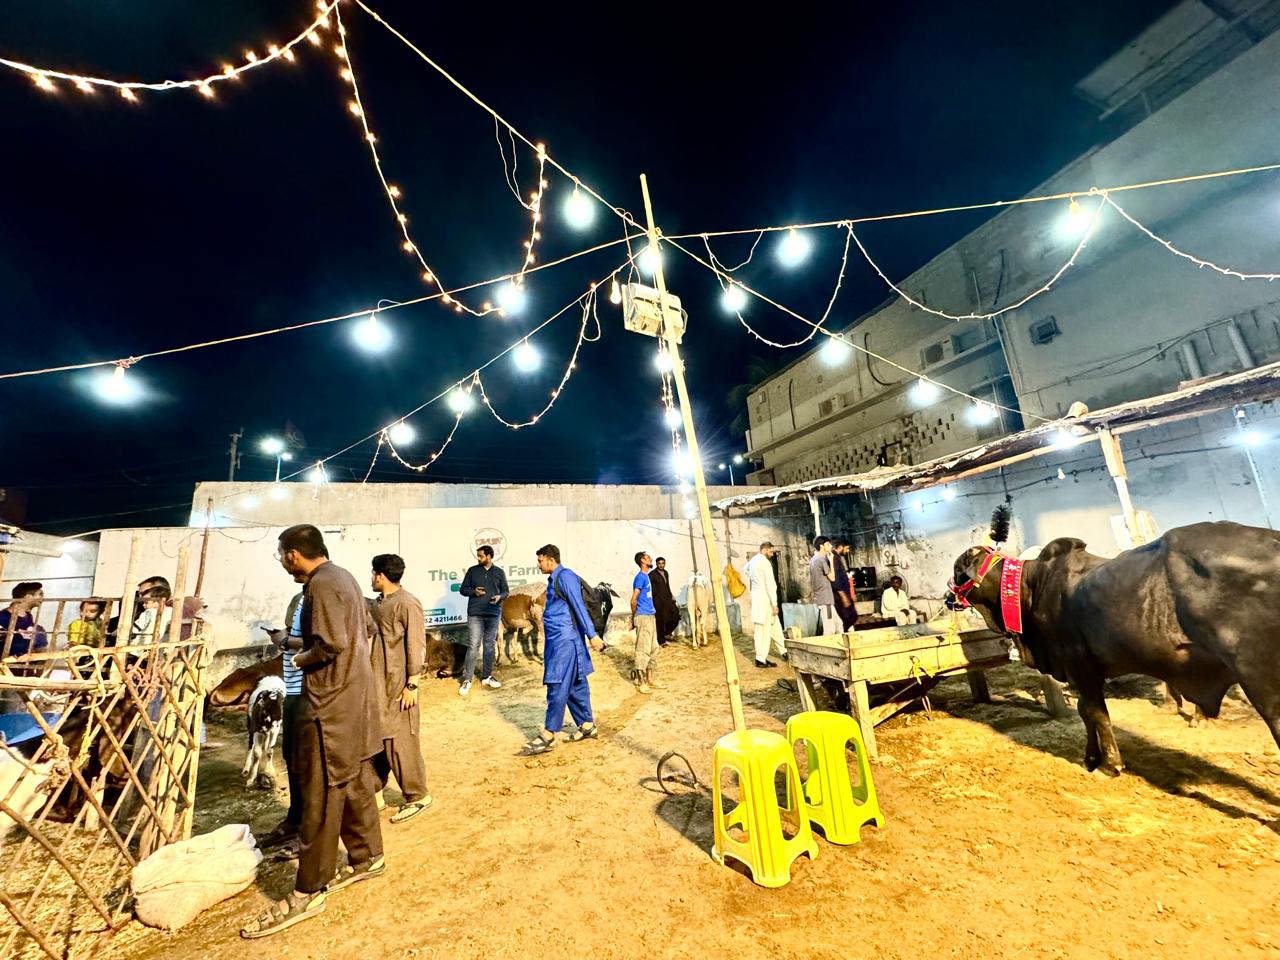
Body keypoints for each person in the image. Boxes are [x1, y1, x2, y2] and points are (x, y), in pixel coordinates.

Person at [242, 525, 383, 940]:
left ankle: (308, 890)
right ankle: (367, 857)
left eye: (282, 556)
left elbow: (330, 645)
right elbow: (361, 632)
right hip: (353, 701)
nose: (284, 563)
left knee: (320, 794)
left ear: (292, 554)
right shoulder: (344, 577)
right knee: (353, 781)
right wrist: (298, 642)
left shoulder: (321, 585)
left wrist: (298, 657)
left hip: (328, 706)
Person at [368, 553, 432, 823]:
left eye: (373, 573)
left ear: (381, 575)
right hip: (378, 683)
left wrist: (412, 684)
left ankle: (417, 795)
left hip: (399, 684)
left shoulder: (407, 603)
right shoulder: (378, 604)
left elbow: (416, 644)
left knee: (400, 740)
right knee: (378, 737)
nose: (371, 578)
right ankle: (375, 792)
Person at [522, 544, 603, 755]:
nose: (538, 564)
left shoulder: (565, 577)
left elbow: (578, 606)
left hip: (565, 642)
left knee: (557, 684)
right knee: (576, 684)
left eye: (540, 560)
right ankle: (587, 725)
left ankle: (548, 734)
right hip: (560, 640)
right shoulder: (555, 579)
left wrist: (592, 635)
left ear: (551, 560)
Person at [259, 590, 306, 854]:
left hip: (310, 692)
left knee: (308, 764)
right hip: (293, 689)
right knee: (292, 758)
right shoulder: (300, 597)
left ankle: (308, 831)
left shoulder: (325, 594)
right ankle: (295, 819)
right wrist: (284, 638)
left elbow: (326, 642)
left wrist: (286, 641)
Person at [457, 545, 508, 696]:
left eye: (481, 556)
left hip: (493, 613)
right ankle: (467, 679)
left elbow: (505, 591)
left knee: (489, 645)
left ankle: (487, 677)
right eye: (478, 556)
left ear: (489, 556)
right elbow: (463, 590)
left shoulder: (499, 572)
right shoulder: (472, 571)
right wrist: (474, 591)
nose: (478, 558)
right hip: (475, 614)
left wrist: (499, 597)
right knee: (473, 645)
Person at [745, 543, 787, 668]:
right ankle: (760, 659)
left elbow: (745, 569)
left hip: (757, 598)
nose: (772, 554)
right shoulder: (765, 563)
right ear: (764, 550)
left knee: (775, 626)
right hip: (765, 600)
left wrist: (755, 580)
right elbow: (770, 584)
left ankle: (784, 651)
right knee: (763, 630)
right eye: (770, 551)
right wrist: (774, 604)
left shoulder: (753, 561)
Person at [629, 552, 659, 693]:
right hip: (643, 616)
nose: (651, 559)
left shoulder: (646, 576)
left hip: (651, 615)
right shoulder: (640, 577)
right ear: (642, 560)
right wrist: (633, 617)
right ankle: (641, 682)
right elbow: (633, 600)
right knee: (643, 649)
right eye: (648, 557)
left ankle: (650, 679)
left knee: (654, 648)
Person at [0, 583, 46, 657]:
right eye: (40, 594)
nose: (43, 598)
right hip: (8, 657)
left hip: (26, 658)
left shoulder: (28, 616)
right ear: (28, 597)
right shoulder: (3, 616)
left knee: (39, 630)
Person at [808, 537, 839, 635]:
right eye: (828, 544)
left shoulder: (813, 560)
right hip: (826, 600)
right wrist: (831, 561)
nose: (831, 546)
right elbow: (832, 578)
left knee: (839, 625)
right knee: (830, 629)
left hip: (821, 598)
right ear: (822, 546)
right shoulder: (821, 560)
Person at [649, 557, 679, 646]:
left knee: (675, 615)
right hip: (658, 600)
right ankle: (661, 641)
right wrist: (653, 600)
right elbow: (650, 589)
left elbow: (667, 585)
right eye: (659, 563)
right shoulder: (652, 574)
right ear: (656, 564)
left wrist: (671, 595)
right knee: (660, 620)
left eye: (663, 563)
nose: (661, 565)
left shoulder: (666, 573)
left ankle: (666, 633)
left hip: (667, 598)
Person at [831, 539, 858, 631]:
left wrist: (851, 594)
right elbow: (835, 579)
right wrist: (843, 596)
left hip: (845, 593)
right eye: (847, 548)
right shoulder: (834, 559)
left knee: (851, 618)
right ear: (840, 547)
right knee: (848, 618)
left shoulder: (837, 558)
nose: (848, 551)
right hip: (840, 595)